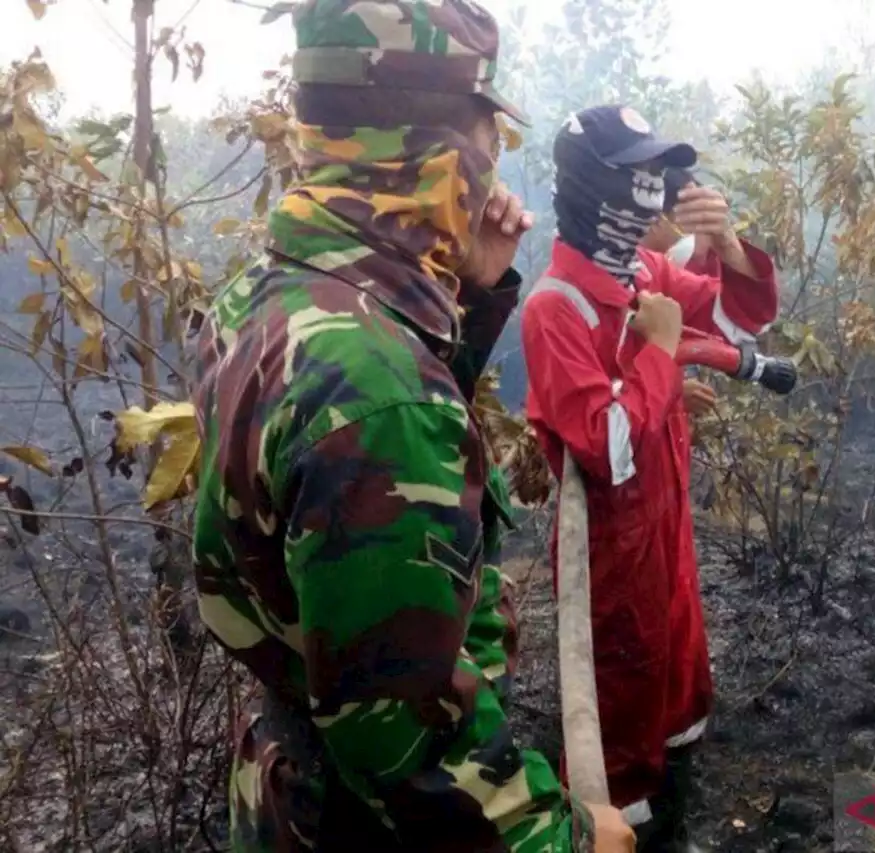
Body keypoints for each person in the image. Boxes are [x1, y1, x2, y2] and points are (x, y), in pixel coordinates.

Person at [189, 2, 635, 851]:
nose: (493, 170)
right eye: (485, 141)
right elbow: (407, 752)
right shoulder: (381, 396)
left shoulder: (269, 294)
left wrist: (464, 298)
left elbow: (377, 469)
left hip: (290, 782)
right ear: (435, 159)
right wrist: (572, 837)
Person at [519, 106, 779, 852]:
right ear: (595, 185)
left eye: (656, 176)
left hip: (666, 521)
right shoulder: (554, 308)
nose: (655, 191)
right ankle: (623, 825)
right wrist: (662, 353)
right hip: (610, 544)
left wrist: (726, 243)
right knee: (621, 686)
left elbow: (735, 321)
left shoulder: (643, 271)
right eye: (637, 177)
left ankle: (679, 792)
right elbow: (607, 447)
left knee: (676, 662)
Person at [640, 167, 774, 418]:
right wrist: (669, 395)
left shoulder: (663, 276)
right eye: (691, 222)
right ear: (656, 220)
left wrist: (727, 241)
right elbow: (597, 422)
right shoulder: (578, 294)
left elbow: (745, 318)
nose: (704, 237)